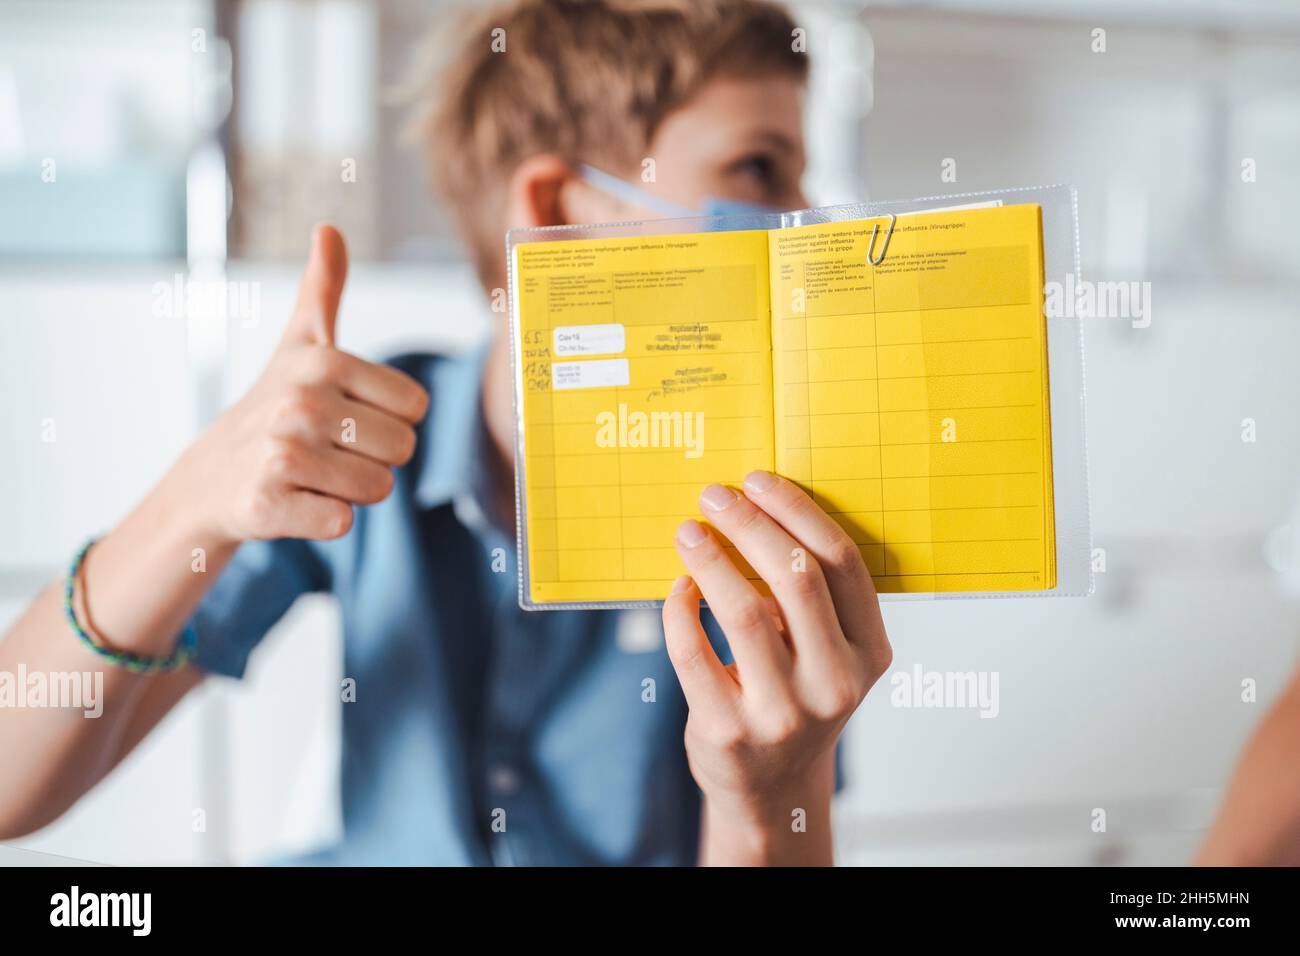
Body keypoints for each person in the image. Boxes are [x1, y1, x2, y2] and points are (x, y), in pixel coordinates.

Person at [0, 0, 891, 866]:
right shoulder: (364, 445)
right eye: (759, 171)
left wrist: (769, 805)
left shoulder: (754, 519)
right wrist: (193, 501)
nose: (804, 220)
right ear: (555, 210)